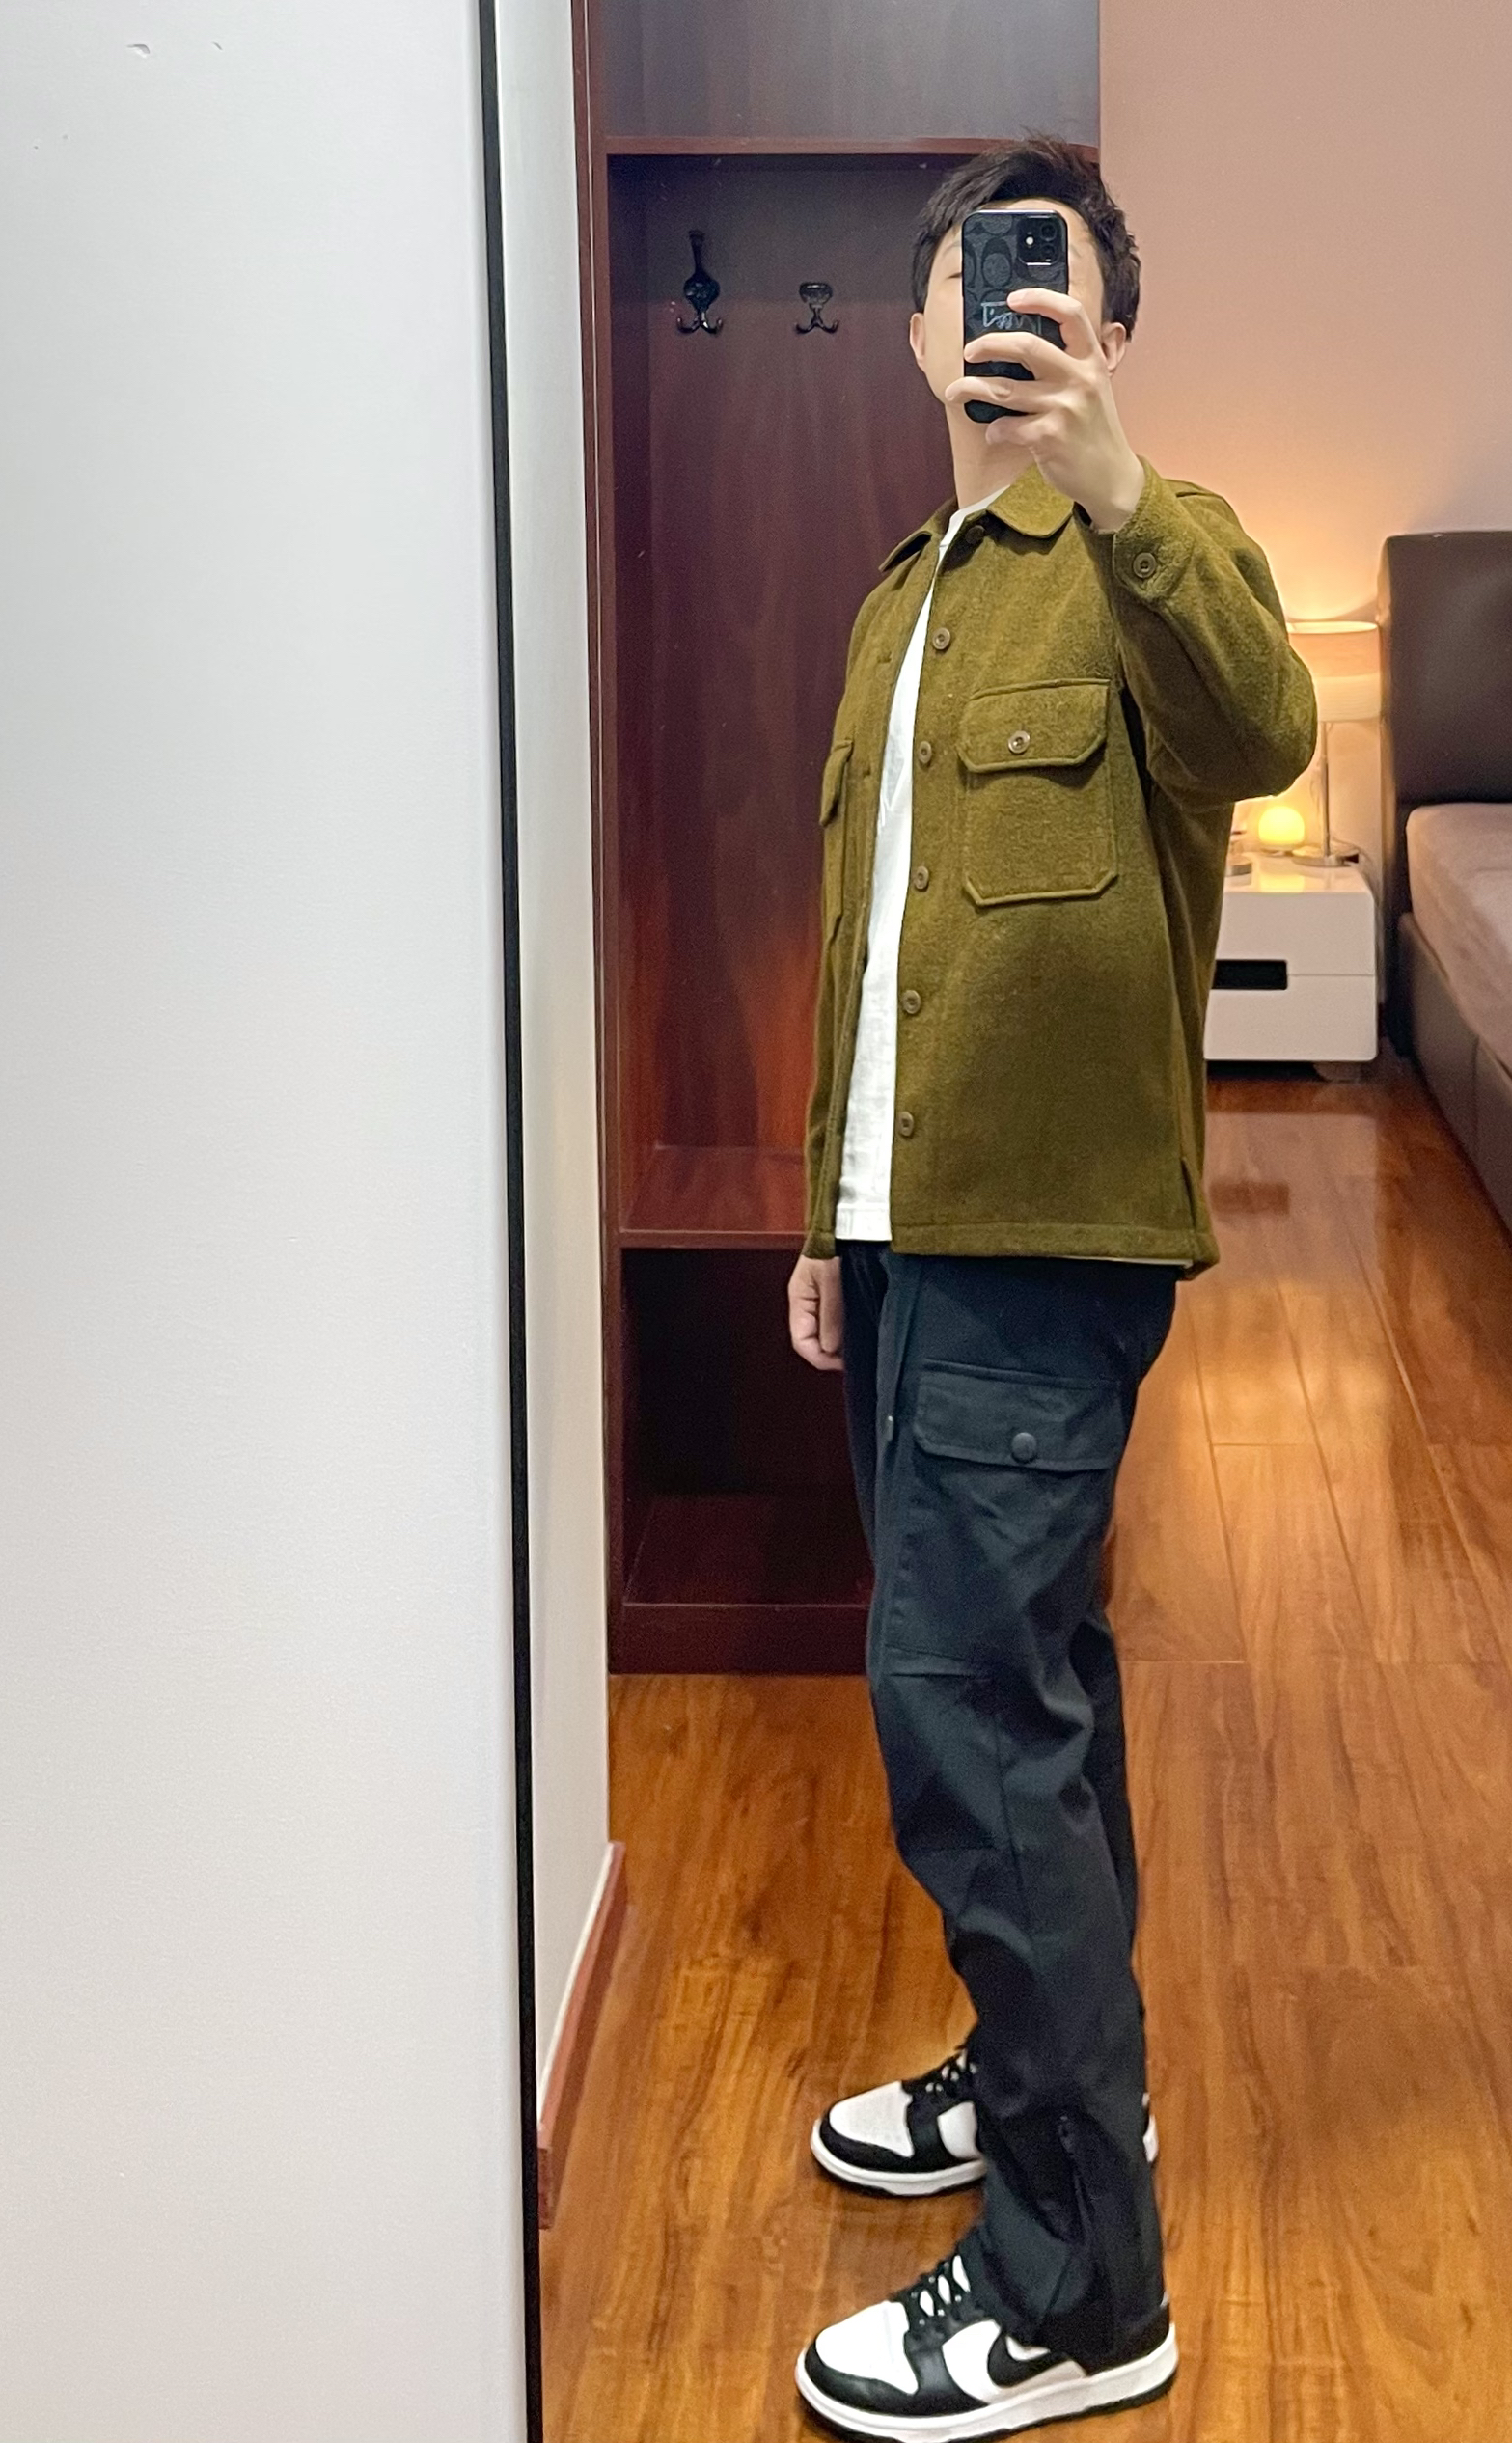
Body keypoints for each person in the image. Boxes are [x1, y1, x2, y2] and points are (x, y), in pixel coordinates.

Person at [785, 136, 1315, 2439]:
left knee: (973, 1734)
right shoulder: (895, 605)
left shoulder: (1159, 551)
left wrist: (1118, 486)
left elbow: (1269, 734)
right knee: (1031, 1705)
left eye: (1051, 285)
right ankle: (1053, 2086)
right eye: (971, 284)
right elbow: (870, 948)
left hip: (1046, 1244)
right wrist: (823, 1213)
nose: (1001, 316)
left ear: (1106, 329)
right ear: (919, 331)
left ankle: (1081, 2290)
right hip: (905, 1237)